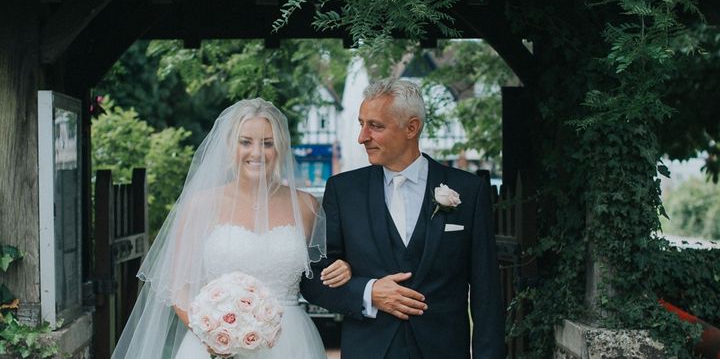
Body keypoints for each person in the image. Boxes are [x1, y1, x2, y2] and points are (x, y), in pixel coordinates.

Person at [112, 98, 351, 359]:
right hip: (215, 345)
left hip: (291, 343)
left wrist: (345, 267)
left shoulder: (306, 205)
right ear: (229, 146)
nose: (257, 153)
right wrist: (213, 334)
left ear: (280, 148)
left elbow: (323, 271)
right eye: (245, 142)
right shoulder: (200, 205)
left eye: (267, 143)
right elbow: (178, 285)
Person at [301, 78, 505, 359]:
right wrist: (368, 292)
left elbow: (487, 294)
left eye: (375, 126)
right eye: (361, 124)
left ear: (412, 127)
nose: (362, 137)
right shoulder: (343, 190)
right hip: (370, 350)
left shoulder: (469, 190)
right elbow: (312, 280)